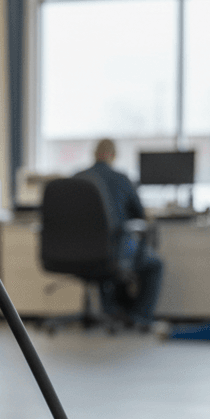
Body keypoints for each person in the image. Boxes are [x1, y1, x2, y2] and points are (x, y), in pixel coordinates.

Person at [75, 139, 163, 327]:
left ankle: (112, 308)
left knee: (112, 261)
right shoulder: (121, 179)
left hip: (78, 252)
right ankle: (139, 316)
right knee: (155, 264)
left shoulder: (77, 178)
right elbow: (140, 216)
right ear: (114, 156)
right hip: (112, 249)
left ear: (94, 154)